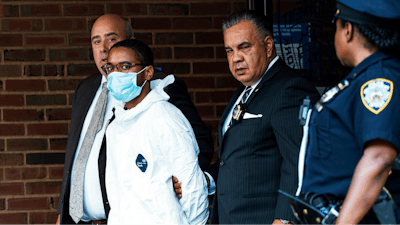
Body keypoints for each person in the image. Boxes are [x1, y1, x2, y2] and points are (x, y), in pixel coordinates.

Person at [57, 14, 214, 225]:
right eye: (96, 41)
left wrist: (184, 180)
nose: (103, 49)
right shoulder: (86, 89)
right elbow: (76, 155)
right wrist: (63, 211)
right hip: (84, 220)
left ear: (130, 40)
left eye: (111, 39)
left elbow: (194, 142)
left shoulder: (162, 93)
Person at [208, 10, 320, 225]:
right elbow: (233, 158)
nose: (236, 58)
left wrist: (285, 219)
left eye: (244, 47)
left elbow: (300, 160)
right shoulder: (243, 91)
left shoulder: (289, 88)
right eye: (229, 50)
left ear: (268, 46)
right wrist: (208, 180)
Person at [295, 0, 400, 224]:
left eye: (336, 26)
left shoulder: (378, 79)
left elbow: (379, 158)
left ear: (348, 30)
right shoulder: (361, 78)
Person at [104, 39, 209, 225]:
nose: (116, 74)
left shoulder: (164, 117)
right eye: (111, 68)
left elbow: (192, 188)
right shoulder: (114, 128)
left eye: (125, 66)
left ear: (148, 73)